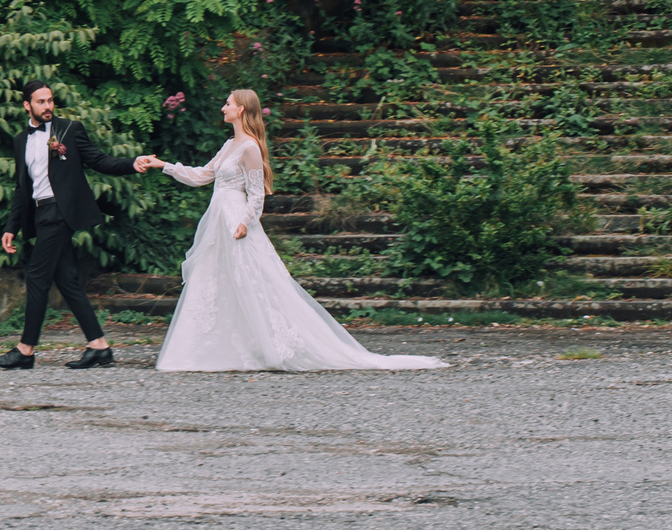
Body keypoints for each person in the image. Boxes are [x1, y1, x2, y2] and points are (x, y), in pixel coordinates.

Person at [133, 88, 442, 372]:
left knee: (253, 281)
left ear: (240, 110)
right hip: (218, 219)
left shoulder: (250, 147)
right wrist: (164, 165)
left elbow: (256, 194)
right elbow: (202, 175)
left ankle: (274, 344)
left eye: (228, 103)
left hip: (236, 220)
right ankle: (210, 349)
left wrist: (244, 222)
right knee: (216, 279)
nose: (223, 107)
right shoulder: (230, 145)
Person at [0, 82, 146, 371]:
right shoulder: (20, 139)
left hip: (59, 213)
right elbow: (21, 188)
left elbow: (99, 160)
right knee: (68, 281)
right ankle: (99, 346)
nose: (48, 106)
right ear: (27, 105)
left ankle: (25, 350)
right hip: (38, 213)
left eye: (50, 100)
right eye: (41, 101)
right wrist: (12, 226)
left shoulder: (70, 130)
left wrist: (131, 163)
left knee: (36, 277)